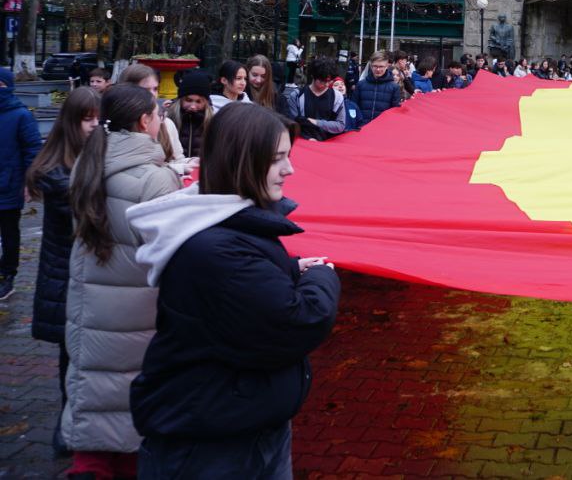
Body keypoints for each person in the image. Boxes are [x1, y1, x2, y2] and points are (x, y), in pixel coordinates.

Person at [128, 102, 341, 478]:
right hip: (215, 444)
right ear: (242, 160)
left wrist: (288, 269)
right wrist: (322, 277)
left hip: (235, 424)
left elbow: (237, 292)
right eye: (277, 159)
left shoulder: (220, 231)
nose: (289, 169)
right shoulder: (216, 246)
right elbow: (298, 320)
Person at [63, 84, 182, 478]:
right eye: (159, 114)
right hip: (138, 313)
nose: (163, 120)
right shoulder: (155, 179)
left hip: (90, 307)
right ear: (145, 121)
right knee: (132, 411)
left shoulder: (88, 162)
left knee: (93, 397)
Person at [27, 86, 99, 455]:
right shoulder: (57, 173)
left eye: (97, 118)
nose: (94, 125)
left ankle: (76, 423)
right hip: (66, 279)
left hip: (83, 278)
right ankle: (67, 424)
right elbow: (85, 215)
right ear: (71, 122)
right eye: (87, 119)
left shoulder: (88, 159)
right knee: (71, 356)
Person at [0, 67, 42, 301]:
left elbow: (32, 150)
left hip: (9, 184)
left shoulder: (21, 115)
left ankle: (8, 275)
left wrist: (30, 181)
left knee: (9, 233)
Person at [117, 64, 196, 179]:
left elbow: (176, 159)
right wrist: (178, 170)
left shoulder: (166, 123)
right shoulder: (119, 126)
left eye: (155, 89)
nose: (152, 95)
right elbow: (135, 171)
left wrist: (190, 161)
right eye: (145, 90)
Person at [282, 57, 345, 141]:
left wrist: (315, 122)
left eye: (329, 81)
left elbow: (340, 125)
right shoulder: (297, 95)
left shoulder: (337, 97)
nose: (326, 84)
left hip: (328, 145)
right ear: (313, 76)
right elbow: (291, 124)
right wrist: (307, 138)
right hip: (302, 144)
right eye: (322, 81)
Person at [167, 70, 213, 161]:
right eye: (188, 100)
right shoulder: (170, 117)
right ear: (181, 99)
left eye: (198, 101)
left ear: (205, 102)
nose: (192, 106)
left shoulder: (212, 121)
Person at [352, 50, 403, 124]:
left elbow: (395, 111)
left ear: (387, 66)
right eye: (375, 66)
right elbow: (354, 107)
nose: (378, 69)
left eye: (381, 66)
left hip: (382, 128)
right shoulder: (361, 85)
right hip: (361, 127)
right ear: (371, 66)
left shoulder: (394, 87)